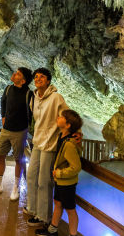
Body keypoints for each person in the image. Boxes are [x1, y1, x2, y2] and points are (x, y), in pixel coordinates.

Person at [24, 67, 82, 227]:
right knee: (31, 176)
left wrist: (77, 132)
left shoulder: (56, 97)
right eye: (36, 77)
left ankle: (43, 216)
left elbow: (68, 114)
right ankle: (33, 207)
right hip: (37, 141)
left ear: (48, 81)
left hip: (50, 144)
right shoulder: (33, 98)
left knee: (44, 180)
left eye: (42, 77)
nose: (38, 79)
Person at [0, 67, 34, 201]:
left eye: (17, 74)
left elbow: (33, 113)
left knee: (18, 160)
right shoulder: (8, 89)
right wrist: (3, 116)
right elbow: (3, 101)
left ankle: (16, 188)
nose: (14, 74)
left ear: (22, 81)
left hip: (19, 132)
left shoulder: (29, 94)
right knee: (0, 156)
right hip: (5, 130)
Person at [36, 110, 83, 236]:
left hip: (66, 181)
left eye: (61, 117)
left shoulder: (69, 145)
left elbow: (76, 167)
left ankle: (72, 235)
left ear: (67, 125)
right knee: (58, 203)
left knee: (70, 209)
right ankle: (52, 230)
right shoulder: (62, 136)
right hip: (61, 180)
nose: (58, 117)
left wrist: (59, 174)